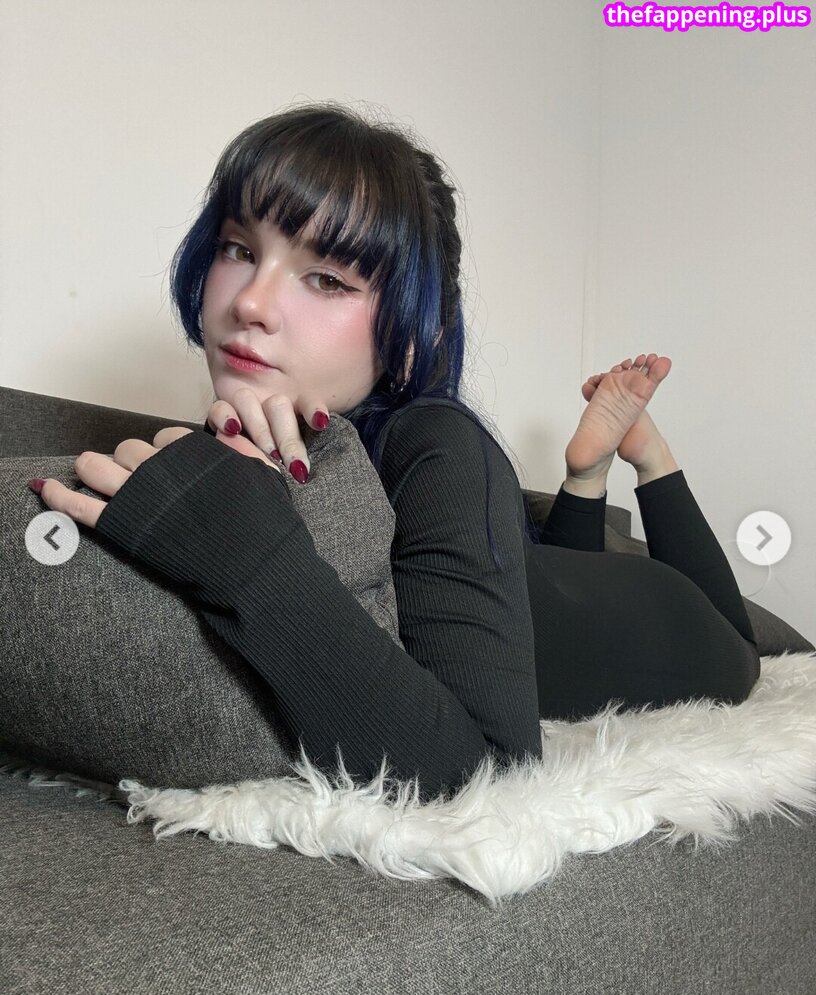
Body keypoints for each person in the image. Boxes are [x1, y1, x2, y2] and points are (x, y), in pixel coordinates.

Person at [27, 102, 761, 803]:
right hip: (547, 595)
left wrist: (248, 560)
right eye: (239, 249)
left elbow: (496, 780)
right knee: (546, 584)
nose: (250, 301)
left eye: (327, 279)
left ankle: (647, 455)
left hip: (670, 624)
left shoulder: (437, 440)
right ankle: (587, 476)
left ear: (412, 339)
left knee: (746, 645)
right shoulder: (251, 433)